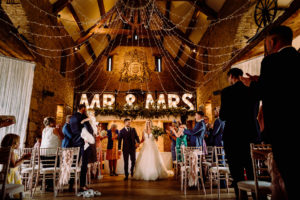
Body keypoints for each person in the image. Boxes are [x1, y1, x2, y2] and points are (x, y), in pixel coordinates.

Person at [241, 26, 300, 199]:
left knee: (290, 177)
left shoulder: (271, 61)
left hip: (283, 129)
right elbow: (285, 87)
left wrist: (250, 84)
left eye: (266, 42)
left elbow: (263, 93)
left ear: (272, 41)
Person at [220, 68, 259, 199]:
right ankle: (256, 195)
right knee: (252, 170)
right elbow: (256, 111)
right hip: (251, 135)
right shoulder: (251, 89)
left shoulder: (226, 92)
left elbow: (223, 116)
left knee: (236, 172)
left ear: (231, 76)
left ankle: (241, 196)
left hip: (233, 136)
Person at [69, 104, 94, 191]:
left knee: (74, 163)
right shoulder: (83, 116)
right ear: (83, 109)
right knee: (84, 164)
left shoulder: (72, 117)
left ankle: (70, 184)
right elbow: (89, 129)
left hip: (75, 143)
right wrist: (91, 133)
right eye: (85, 109)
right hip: (84, 142)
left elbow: (72, 130)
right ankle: (82, 185)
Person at [1, 134, 31, 198]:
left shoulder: (3, 151)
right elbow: (13, 165)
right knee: (13, 194)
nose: (20, 143)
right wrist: (23, 158)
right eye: (18, 142)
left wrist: (21, 158)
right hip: (11, 175)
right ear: (13, 143)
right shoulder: (11, 152)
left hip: (4, 173)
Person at [40, 117, 63, 191]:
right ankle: (51, 185)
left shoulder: (44, 130)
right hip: (52, 152)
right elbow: (62, 137)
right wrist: (59, 129)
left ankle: (45, 184)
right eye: (54, 122)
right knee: (55, 168)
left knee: (46, 169)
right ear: (51, 123)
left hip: (43, 152)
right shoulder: (54, 129)